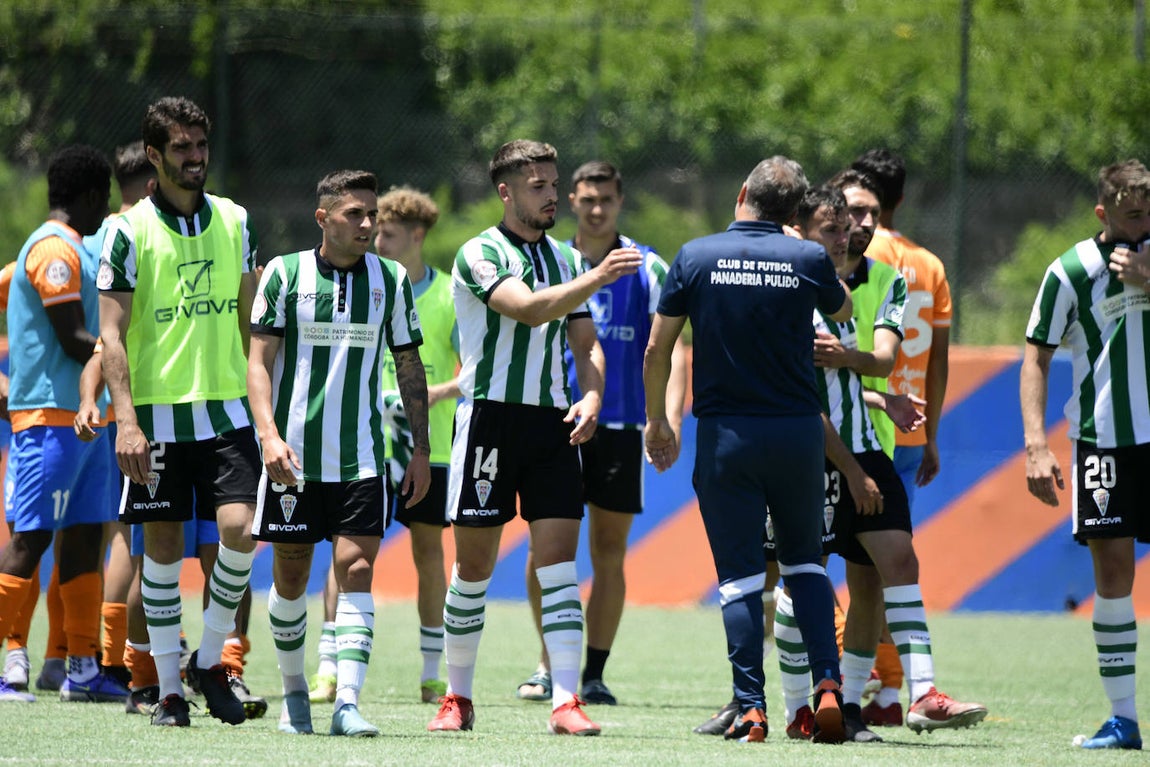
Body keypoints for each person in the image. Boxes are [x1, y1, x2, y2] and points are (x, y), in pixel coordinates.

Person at [427, 139, 642, 736]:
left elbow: (585, 344)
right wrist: (598, 274)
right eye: (539, 186)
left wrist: (594, 394)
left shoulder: (568, 261)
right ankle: (457, 697)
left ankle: (566, 700)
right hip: (489, 423)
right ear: (507, 191)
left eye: (553, 183)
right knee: (473, 568)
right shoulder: (480, 253)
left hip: (551, 426)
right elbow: (526, 309)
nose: (552, 196)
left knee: (559, 566)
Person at [644, 155, 850, 744]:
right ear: (794, 213)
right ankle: (828, 685)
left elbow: (659, 349)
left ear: (742, 194)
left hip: (726, 437)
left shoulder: (696, 255)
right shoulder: (808, 256)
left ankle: (751, 706)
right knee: (805, 563)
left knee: (739, 580)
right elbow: (843, 309)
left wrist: (658, 420)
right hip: (796, 434)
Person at [98, 96, 262, 728]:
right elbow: (111, 335)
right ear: (154, 155)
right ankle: (169, 690)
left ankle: (210, 663)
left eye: (201, 144)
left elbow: (253, 325)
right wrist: (128, 421)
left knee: (241, 535)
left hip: (227, 415)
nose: (196, 157)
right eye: (183, 147)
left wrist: (267, 415)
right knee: (161, 553)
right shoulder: (126, 230)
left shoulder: (237, 221)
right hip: (157, 418)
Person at [249, 169, 430, 737]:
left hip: (361, 460)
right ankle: (295, 693)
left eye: (372, 213)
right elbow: (258, 363)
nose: (369, 224)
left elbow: (408, 364)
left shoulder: (392, 281)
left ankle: (347, 703)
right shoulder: (283, 274)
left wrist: (420, 449)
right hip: (293, 458)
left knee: (356, 568)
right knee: (291, 575)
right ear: (323, 218)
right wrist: (268, 436)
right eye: (356, 213)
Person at [517, 160, 687, 707]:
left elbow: (676, 349)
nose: (596, 209)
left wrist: (669, 418)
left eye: (606, 200)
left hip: (618, 427)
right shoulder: (551, 262)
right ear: (571, 201)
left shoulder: (647, 267)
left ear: (620, 202)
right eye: (587, 199)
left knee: (608, 551)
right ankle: (548, 664)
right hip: (555, 421)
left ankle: (593, 672)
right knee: (545, 550)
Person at [307, 186, 458, 707]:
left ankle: (433, 671)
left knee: (428, 553)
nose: (377, 240)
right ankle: (328, 668)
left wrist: (437, 392)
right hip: (362, 439)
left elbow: (483, 365)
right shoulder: (364, 287)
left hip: (427, 444)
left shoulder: (445, 294)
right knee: (342, 553)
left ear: (416, 236)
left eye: (388, 233)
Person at [1022, 159, 1150, 751]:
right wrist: (1036, 446)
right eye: (1131, 215)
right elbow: (1037, 358)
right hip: (1105, 442)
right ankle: (1123, 720)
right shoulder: (1070, 271)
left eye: (1149, 213)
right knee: (1113, 575)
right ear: (1103, 213)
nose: (1141, 223)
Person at [0, 145, 129, 704]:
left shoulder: (70, 247)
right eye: (103, 199)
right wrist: (127, 358)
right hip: (47, 418)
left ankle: (81, 668)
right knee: (30, 538)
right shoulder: (54, 249)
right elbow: (72, 337)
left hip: (86, 420)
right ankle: (9, 659)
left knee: (81, 539)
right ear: (90, 197)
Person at [851, 149, 954, 724]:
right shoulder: (929, 264)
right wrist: (933, 432)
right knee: (889, 564)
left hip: (860, 421)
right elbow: (938, 359)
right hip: (906, 424)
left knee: (856, 568)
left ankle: (867, 682)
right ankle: (890, 688)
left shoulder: (858, 254)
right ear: (904, 198)